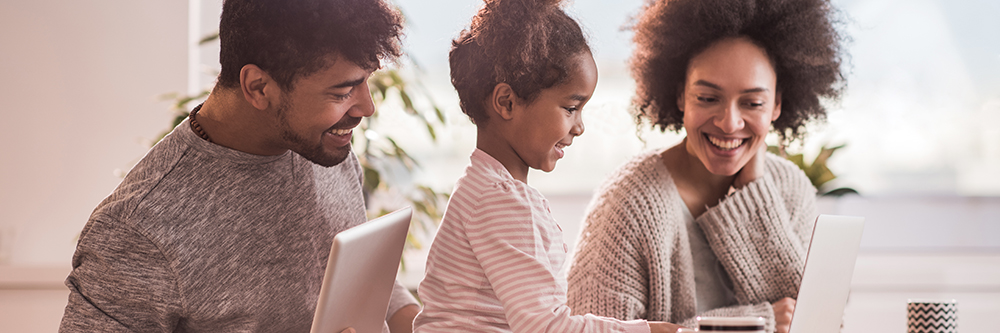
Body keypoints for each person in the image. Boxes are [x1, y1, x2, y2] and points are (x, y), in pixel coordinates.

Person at [59, 0, 420, 332]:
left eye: (366, 82)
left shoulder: (321, 145)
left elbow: (356, 284)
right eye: (343, 91)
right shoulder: (139, 229)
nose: (366, 107)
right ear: (259, 87)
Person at [565, 0, 846, 332]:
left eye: (753, 103)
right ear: (681, 95)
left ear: (777, 104)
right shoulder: (628, 201)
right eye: (708, 98)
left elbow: (816, 324)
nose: (729, 123)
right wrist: (757, 323)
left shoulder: (790, 188)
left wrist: (753, 197)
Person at [410, 0, 683, 332]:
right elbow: (547, 327)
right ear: (506, 102)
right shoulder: (503, 202)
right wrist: (648, 331)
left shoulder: (482, 187)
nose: (579, 126)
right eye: (571, 107)